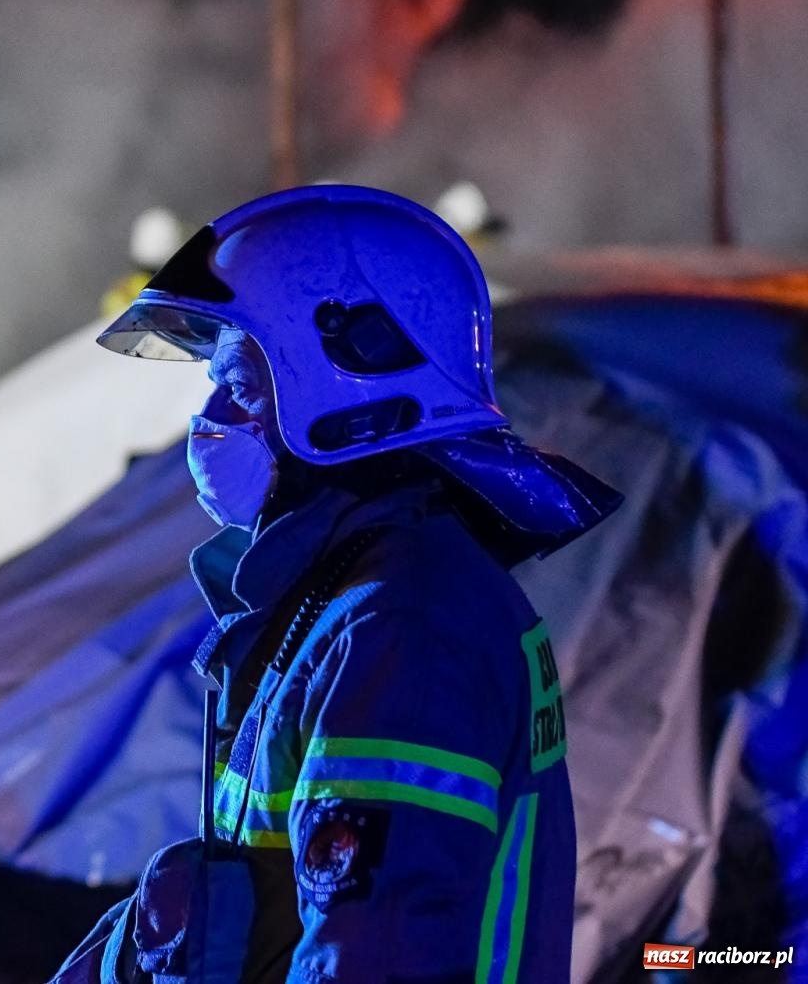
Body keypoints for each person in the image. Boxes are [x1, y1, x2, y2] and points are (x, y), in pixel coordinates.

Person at [53, 185, 620, 983]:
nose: (210, 419)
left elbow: (376, 955)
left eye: (241, 387)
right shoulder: (342, 601)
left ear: (348, 393)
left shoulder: (400, 628)